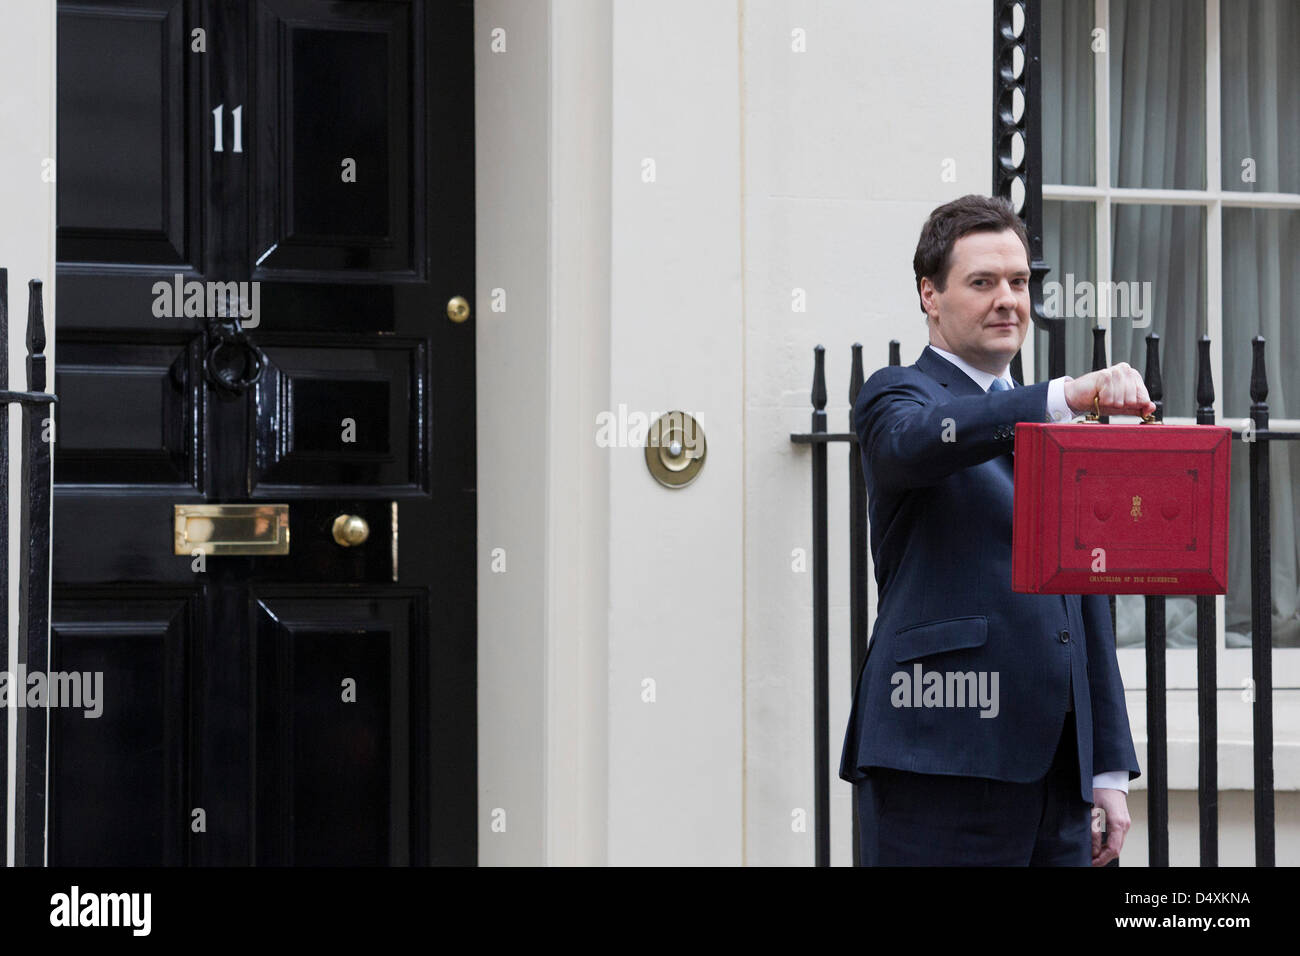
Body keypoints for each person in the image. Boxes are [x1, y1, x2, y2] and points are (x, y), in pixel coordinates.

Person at [840, 194, 1151, 866]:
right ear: (930, 294)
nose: (1008, 299)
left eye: (1018, 281)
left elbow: (1085, 598)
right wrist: (1062, 396)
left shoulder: (1052, 420)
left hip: (1057, 779)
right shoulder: (897, 396)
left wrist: (1105, 770)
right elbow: (918, 443)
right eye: (982, 282)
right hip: (937, 763)